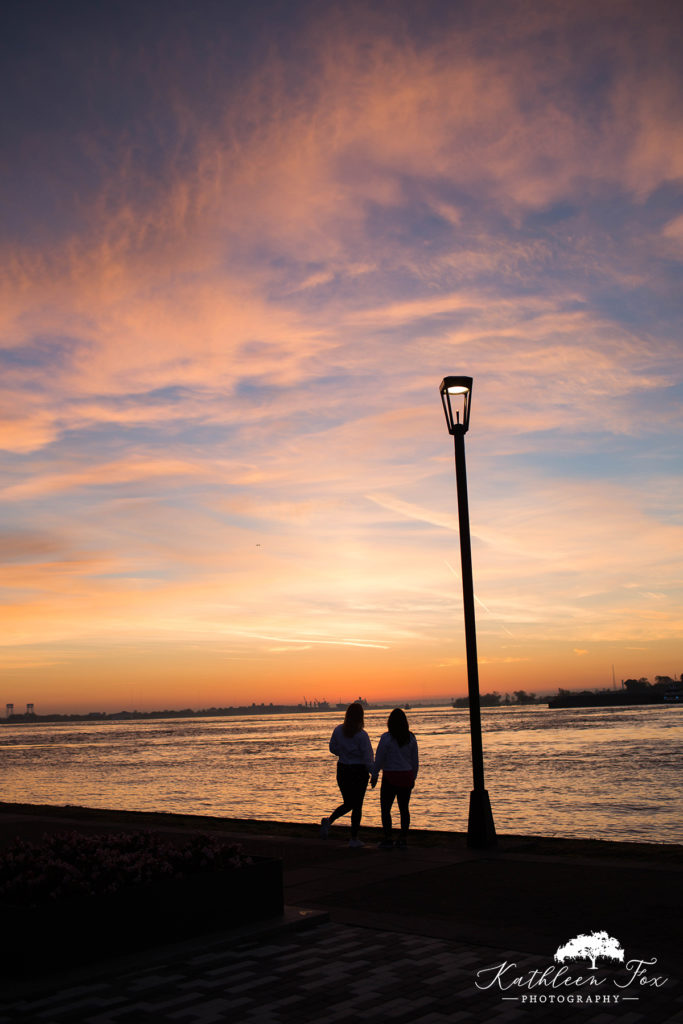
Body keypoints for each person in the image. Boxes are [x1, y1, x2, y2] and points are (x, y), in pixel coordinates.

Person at [320, 702, 374, 848]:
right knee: (357, 805)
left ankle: (329, 821)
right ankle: (354, 838)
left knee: (349, 802)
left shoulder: (338, 730)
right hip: (358, 771)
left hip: (343, 770)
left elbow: (332, 748)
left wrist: (343, 753)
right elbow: (368, 757)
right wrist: (373, 774)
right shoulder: (362, 735)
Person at [371, 708, 418, 849]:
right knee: (404, 809)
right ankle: (403, 838)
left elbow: (379, 759)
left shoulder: (386, 738)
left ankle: (388, 838)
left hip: (390, 776)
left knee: (386, 809)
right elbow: (415, 761)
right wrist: (413, 778)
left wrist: (374, 774)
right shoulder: (411, 738)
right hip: (406, 776)